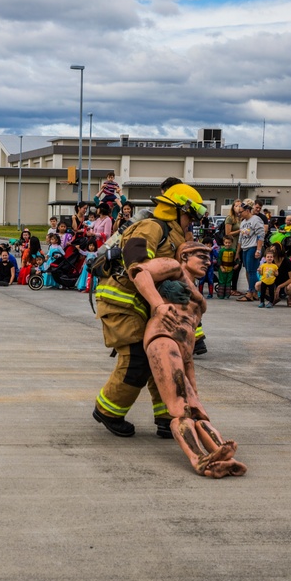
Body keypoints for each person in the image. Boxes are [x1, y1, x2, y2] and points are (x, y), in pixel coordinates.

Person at [92, 179, 206, 439]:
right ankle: (109, 411)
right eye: (190, 214)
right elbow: (136, 266)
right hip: (122, 303)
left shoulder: (177, 235)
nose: (192, 221)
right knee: (138, 359)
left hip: (147, 306)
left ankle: (168, 416)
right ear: (177, 210)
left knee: (165, 356)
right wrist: (160, 297)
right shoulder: (150, 227)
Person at [134, 241, 247, 478]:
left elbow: (192, 338)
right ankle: (199, 460)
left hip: (184, 352)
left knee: (197, 410)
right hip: (163, 339)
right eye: (201, 256)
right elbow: (139, 272)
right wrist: (159, 306)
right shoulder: (174, 267)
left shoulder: (199, 297)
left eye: (209, 257)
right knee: (180, 408)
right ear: (184, 257)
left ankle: (222, 453)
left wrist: (191, 372)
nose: (208, 261)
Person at [234, 200, 266, 302]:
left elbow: (261, 235)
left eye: (241, 212)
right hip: (245, 248)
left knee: (252, 271)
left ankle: (251, 292)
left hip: (253, 247)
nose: (239, 214)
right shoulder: (243, 222)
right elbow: (240, 238)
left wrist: (258, 250)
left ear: (247, 210)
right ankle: (255, 292)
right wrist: (238, 252)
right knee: (248, 271)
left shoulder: (256, 220)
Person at [222, 199, 244, 295]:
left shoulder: (241, 218)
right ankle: (230, 288)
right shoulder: (230, 218)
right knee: (232, 268)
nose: (238, 207)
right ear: (233, 207)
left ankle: (234, 288)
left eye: (240, 206)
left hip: (240, 246)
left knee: (238, 268)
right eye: (236, 206)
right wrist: (240, 231)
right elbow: (228, 234)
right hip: (232, 246)